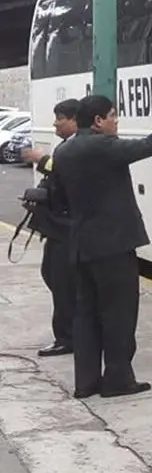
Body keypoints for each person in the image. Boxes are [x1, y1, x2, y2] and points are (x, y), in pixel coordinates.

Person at [50, 94, 152, 399]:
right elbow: (150, 145)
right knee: (118, 314)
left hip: (82, 245)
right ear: (98, 121)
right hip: (113, 247)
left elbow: (59, 198)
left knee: (86, 315)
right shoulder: (103, 146)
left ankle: (86, 382)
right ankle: (118, 379)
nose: (116, 121)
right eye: (113, 116)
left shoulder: (64, 151)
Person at [20, 98, 80, 358]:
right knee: (52, 276)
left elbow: (66, 172)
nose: (55, 124)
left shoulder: (78, 147)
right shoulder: (67, 145)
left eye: (60, 119)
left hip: (68, 229)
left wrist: (41, 159)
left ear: (74, 120)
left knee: (63, 282)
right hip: (58, 228)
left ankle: (67, 337)